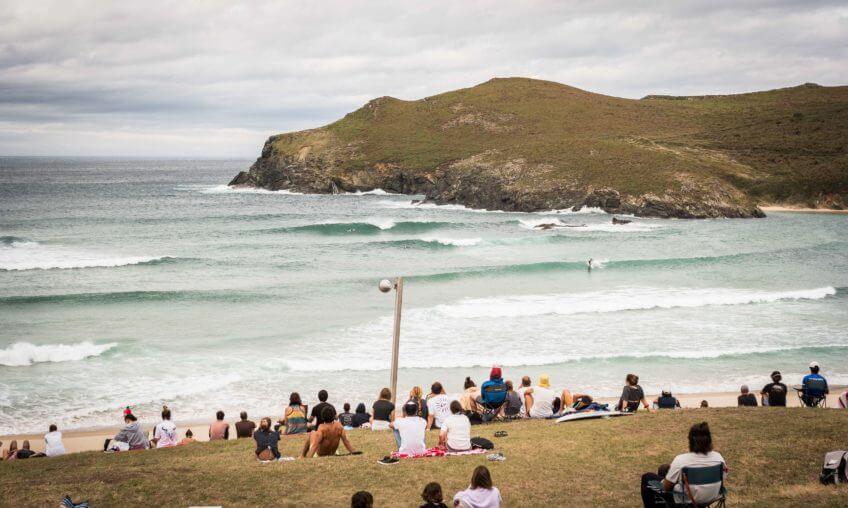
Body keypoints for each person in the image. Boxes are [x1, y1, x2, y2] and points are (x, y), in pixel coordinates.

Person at [640, 422, 727, 507]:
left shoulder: (681, 460)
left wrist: (666, 482)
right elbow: (722, 479)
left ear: (690, 441)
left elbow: (666, 487)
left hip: (686, 498)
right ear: (709, 440)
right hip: (711, 497)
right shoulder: (719, 458)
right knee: (664, 468)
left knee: (647, 477)